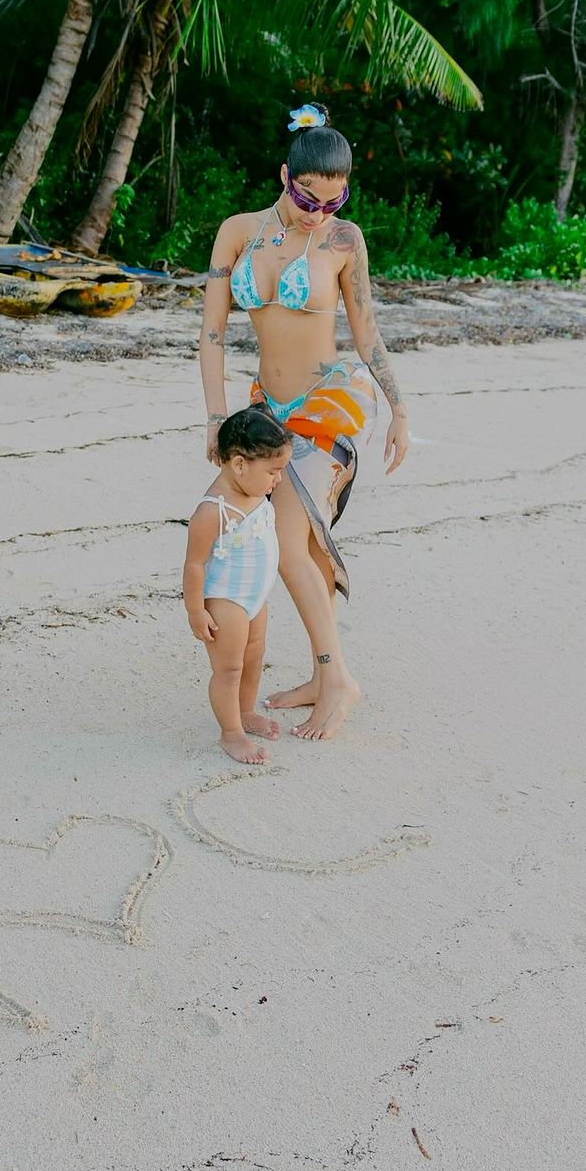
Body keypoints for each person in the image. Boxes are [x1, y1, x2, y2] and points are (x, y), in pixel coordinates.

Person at [199, 103, 409, 742]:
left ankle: (335, 674)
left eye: (334, 202)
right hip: (266, 409)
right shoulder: (238, 232)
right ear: (284, 175)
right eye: (308, 198)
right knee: (300, 539)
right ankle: (324, 679)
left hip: (331, 399)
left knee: (289, 541)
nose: (319, 213)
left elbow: (367, 335)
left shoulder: (345, 242)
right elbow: (210, 336)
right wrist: (217, 421)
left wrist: (399, 408)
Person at [183, 405, 293, 765]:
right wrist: (196, 610)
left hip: (255, 596)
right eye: (273, 471)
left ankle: (245, 712)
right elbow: (195, 565)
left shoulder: (256, 490)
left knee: (254, 656)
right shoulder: (212, 511)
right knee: (229, 669)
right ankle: (231, 733)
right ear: (239, 464)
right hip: (226, 600)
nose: (277, 479)